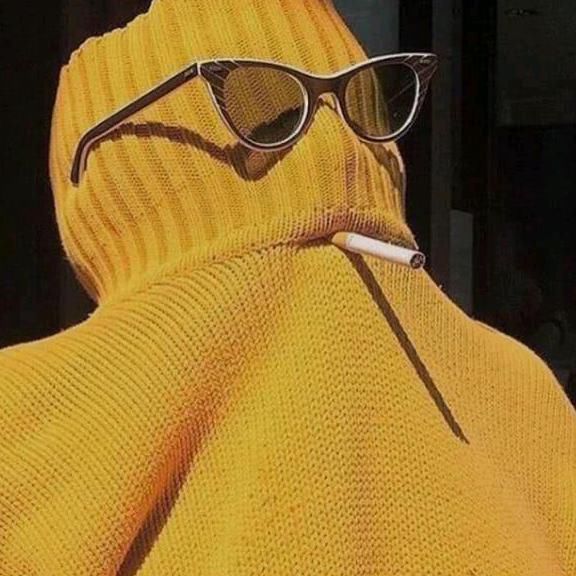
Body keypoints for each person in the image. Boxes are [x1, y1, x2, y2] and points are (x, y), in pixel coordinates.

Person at [0, 0, 574, 574]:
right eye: (266, 106)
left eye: (360, 98)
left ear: (94, 173)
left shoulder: (27, 417)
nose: (328, 134)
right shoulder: (527, 394)